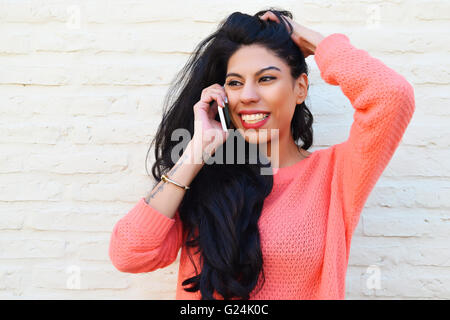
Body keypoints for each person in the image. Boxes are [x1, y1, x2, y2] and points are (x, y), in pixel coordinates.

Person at [109, 8, 415, 300]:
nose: (248, 96)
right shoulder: (206, 175)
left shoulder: (336, 174)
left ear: (300, 88)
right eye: (235, 83)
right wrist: (195, 153)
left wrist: (314, 41)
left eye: (266, 78)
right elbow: (129, 255)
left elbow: (392, 95)